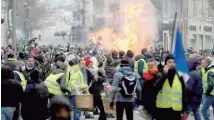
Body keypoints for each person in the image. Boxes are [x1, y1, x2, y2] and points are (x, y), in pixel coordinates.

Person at [155, 54, 187, 120]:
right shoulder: (160, 74)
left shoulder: (179, 75)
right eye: (169, 62)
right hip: (163, 109)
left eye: (173, 62)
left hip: (176, 109)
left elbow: (184, 92)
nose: (172, 64)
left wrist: (185, 109)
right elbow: (156, 88)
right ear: (165, 63)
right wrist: (164, 74)